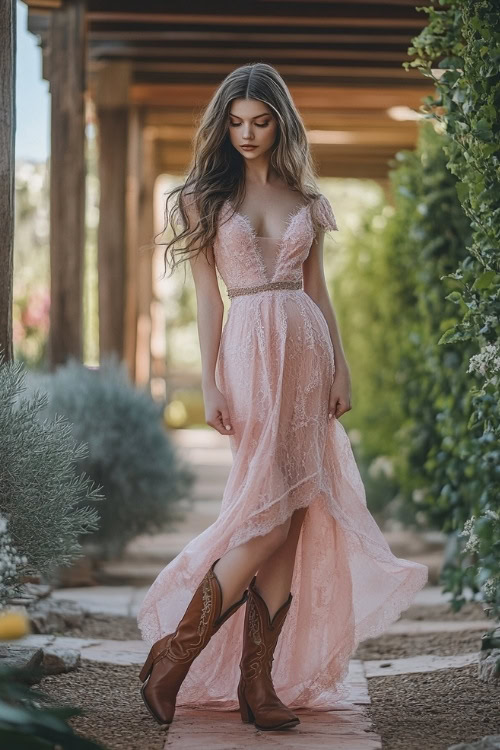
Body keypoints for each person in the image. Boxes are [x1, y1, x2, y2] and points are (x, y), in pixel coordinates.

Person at [136, 62, 428, 731]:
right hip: (250, 353)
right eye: (235, 122)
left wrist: (342, 368)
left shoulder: (305, 198)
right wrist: (209, 378)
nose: (246, 133)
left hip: (307, 353)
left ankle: (256, 684)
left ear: (280, 122)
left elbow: (320, 294)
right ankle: (176, 658)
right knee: (263, 515)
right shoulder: (204, 200)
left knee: (294, 515)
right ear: (223, 124)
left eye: (260, 121)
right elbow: (209, 300)